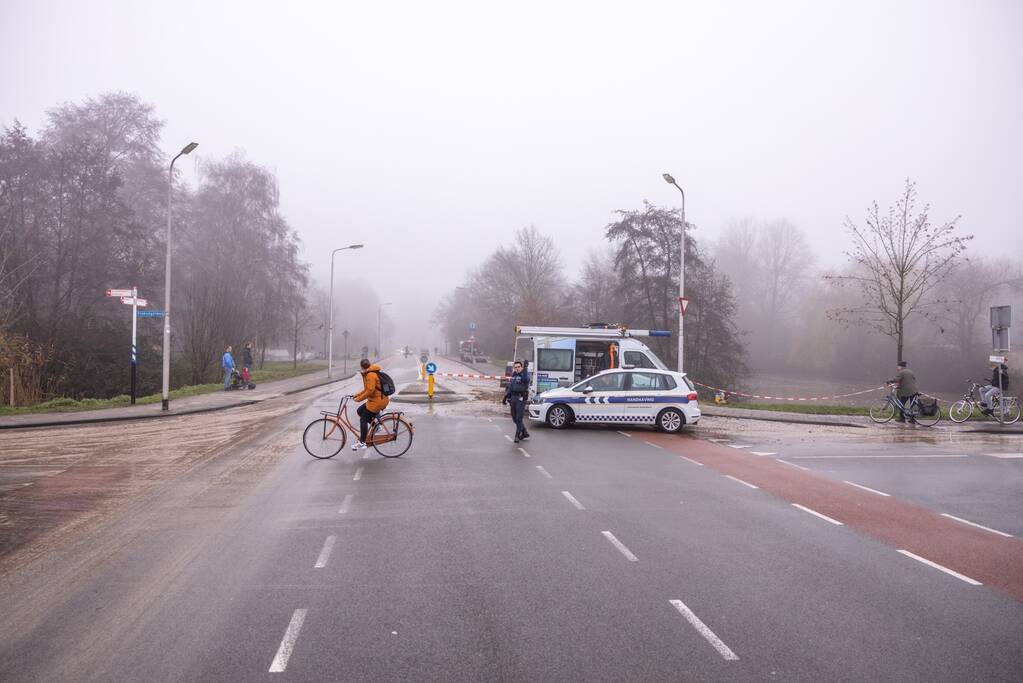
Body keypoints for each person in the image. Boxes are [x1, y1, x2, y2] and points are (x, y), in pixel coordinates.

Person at [352, 358, 389, 450]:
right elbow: (366, 389)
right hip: (376, 400)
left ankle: (362, 442)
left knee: (363, 419)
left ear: (362, 367)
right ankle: (376, 426)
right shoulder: (370, 373)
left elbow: (370, 391)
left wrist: (359, 399)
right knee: (360, 411)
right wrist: (355, 396)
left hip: (378, 401)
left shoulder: (370, 375)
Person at [503, 359, 531, 443]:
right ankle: (525, 432)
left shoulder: (525, 375)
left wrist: (526, 368)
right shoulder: (514, 375)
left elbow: (526, 379)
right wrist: (505, 396)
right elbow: (511, 387)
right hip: (513, 398)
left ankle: (517, 435)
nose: (517, 368)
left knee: (519, 418)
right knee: (514, 417)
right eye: (515, 367)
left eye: (519, 367)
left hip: (521, 398)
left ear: (522, 367)